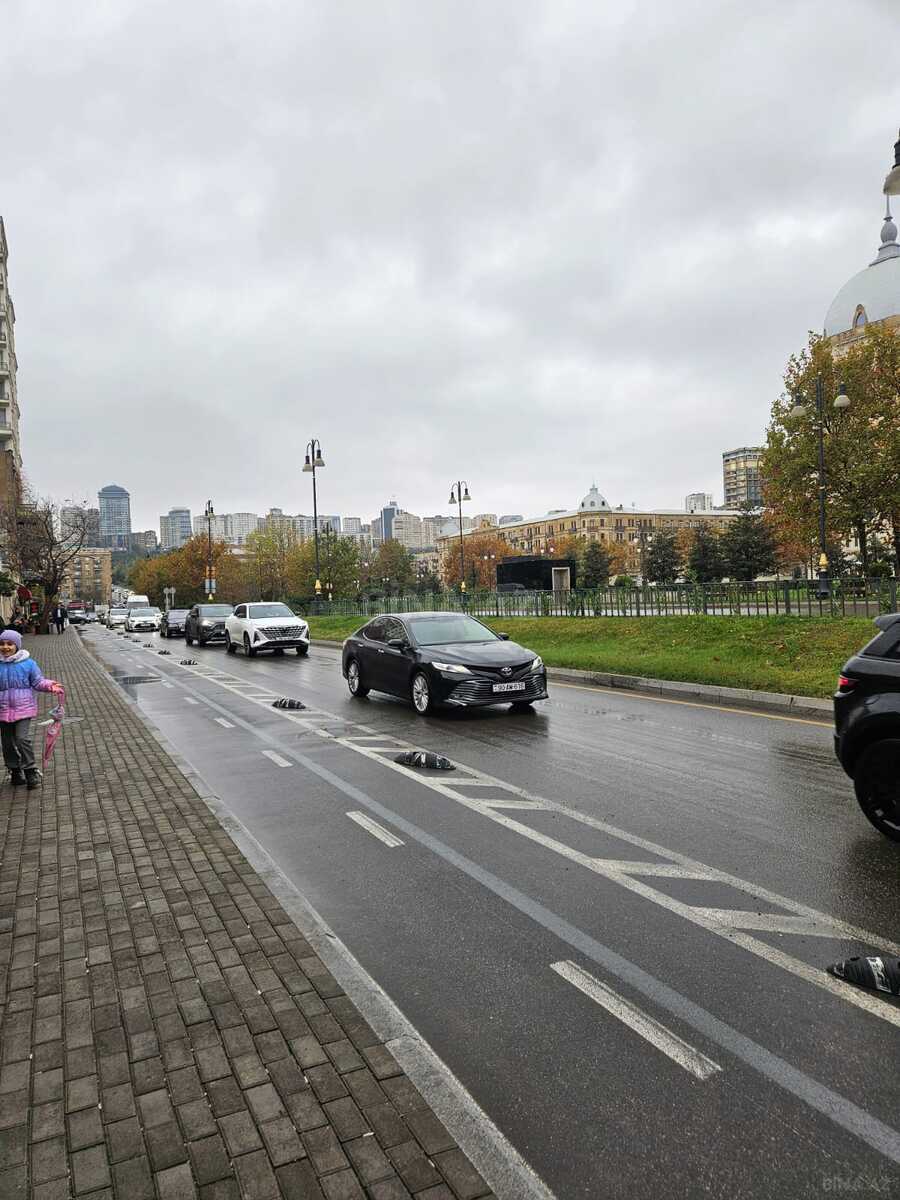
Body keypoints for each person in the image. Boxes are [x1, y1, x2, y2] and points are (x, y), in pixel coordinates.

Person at [0, 630, 63, 789]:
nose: (5, 647)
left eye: (9, 644)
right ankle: (15, 770)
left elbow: (38, 682)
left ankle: (30, 770)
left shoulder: (28, 663)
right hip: (3, 710)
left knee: (21, 739)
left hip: (23, 709)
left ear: (17, 645)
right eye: (2, 644)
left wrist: (50, 686)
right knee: (7, 743)